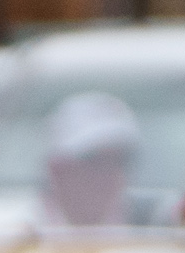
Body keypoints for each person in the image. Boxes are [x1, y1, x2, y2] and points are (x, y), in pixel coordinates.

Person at [40, 92, 141, 229]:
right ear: (57, 169)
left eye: (119, 161)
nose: (110, 176)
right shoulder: (11, 237)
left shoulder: (147, 235)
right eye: (96, 162)